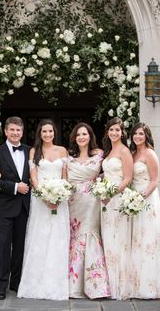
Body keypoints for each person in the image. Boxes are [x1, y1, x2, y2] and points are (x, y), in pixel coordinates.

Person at [17, 118, 70, 300]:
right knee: (39, 238)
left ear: (55, 132)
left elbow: (65, 177)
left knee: (58, 239)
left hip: (59, 201)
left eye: (51, 131)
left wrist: (59, 195)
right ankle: (35, 283)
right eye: (44, 131)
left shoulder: (62, 150)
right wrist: (46, 197)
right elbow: (34, 178)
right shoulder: (34, 151)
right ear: (39, 133)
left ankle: (56, 282)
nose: (48, 134)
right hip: (40, 200)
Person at [0, 116, 31, 300]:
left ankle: (16, 282)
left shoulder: (29, 151)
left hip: (24, 206)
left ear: (22, 132)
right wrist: (15, 187)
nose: (15, 133)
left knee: (20, 247)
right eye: (12, 130)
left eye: (18, 130)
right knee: (4, 245)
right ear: (5, 131)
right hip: (4, 207)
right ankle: (1, 285)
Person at [67, 123, 110, 299]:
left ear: (90, 136)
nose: (81, 137)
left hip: (92, 203)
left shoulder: (100, 155)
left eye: (84, 134)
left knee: (90, 235)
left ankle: (95, 286)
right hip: (73, 202)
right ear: (74, 138)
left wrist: (100, 184)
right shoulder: (68, 157)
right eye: (78, 135)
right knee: (74, 237)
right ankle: (73, 285)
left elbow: (111, 174)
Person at [129, 122, 160, 298]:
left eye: (141, 134)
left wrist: (141, 197)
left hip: (147, 199)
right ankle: (136, 284)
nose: (138, 137)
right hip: (133, 200)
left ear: (147, 136)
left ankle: (150, 287)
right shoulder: (133, 154)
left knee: (148, 240)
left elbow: (154, 180)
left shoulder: (150, 154)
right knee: (136, 240)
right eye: (135, 134)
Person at [101, 117, 133, 300]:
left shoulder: (124, 150)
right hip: (104, 199)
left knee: (118, 240)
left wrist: (111, 193)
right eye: (111, 129)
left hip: (117, 199)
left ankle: (120, 285)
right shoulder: (110, 150)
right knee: (108, 239)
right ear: (107, 132)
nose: (114, 133)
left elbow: (127, 178)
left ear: (122, 133)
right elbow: (108, 173)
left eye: (117, 130)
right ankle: (109, 284)